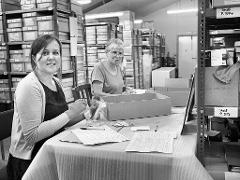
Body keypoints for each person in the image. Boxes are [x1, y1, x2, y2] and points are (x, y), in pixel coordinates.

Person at [7, 34, 87, 180]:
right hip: (30, 162)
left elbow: (60, 121)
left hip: (53, 149)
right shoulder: (29, 86)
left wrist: (86, 114)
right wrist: (70, 113)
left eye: (56, 53)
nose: (51, 57)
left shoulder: (56, 81)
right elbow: (32, 136)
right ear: (33, 58)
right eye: (45, 53)